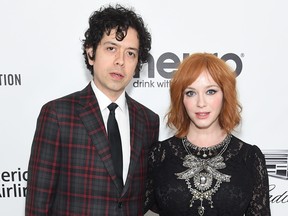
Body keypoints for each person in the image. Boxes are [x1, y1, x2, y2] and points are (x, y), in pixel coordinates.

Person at [25, 4, 159, 216]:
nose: (120, 61)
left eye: (130, 53)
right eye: (111, 48)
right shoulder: (57, 115)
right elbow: (38, 204)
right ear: (90, 53)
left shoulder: (149, 121)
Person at [145, 53, 270, 216]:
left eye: (210, 91)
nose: (201, 103)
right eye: (191, 93)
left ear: (225, 95)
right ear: (181, 99)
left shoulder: (250, 158)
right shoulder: (159, 154)